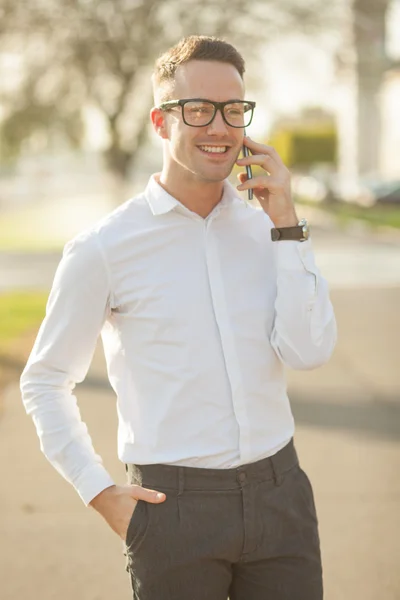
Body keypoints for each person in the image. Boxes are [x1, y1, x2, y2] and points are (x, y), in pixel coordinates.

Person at [20, 35, 337, 600]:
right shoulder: (104, 247)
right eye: (198, 109)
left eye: (234, 110)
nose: (219, 126)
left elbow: (309, 351)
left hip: (281, 496)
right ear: (160, 123)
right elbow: (45, 381)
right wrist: (99, 492)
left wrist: (287, 223)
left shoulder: (272, 227)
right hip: (173, 513)